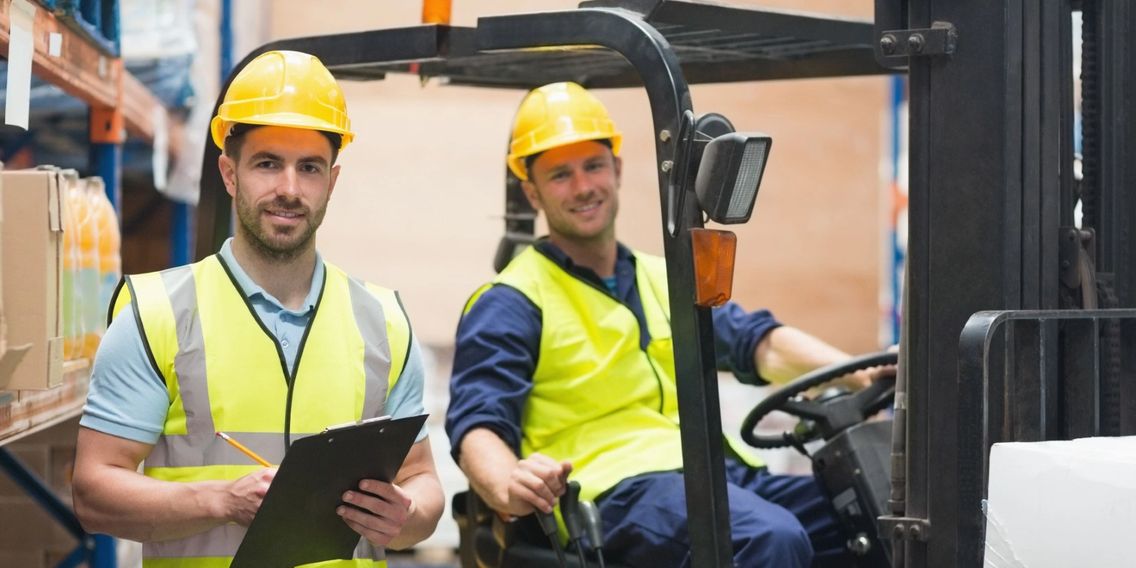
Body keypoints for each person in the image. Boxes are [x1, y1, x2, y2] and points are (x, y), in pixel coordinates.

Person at [445, 81, 886, 568]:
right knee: (767, 539)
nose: (584, 186)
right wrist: (507, 484)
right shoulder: (513, 299)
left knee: (874, 513)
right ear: (533, 192)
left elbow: (757, 344)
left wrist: (864, 372)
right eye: (560, 175)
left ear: (616, 168)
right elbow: (478, 424)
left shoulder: (665, 275)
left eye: (593, 166)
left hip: (712, 472)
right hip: (612, 491)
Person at [72, 50, 443, 567]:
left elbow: (422, 481)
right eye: (268, 163)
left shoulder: (381, 321)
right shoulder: (156, 313)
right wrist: (220, 501)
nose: (289, 189)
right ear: (230, 173)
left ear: (331, 182)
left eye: (309, 168)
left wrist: (407, 516)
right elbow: (92, 491)